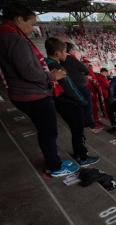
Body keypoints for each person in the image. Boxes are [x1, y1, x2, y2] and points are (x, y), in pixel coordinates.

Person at [0, 3, 79, 178]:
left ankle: (54, 160)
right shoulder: (14, 38)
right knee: (49, 131)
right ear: (20, 19)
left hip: (22, 92)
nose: (33, 28)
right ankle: (55, 167)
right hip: (30, 95)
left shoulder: (6, 34)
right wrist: (52, 76)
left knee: (47, 130)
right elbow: (28, 72)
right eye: (32, 23)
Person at [44, 37, 100, 166]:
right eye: (65, 52)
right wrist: (82, 101)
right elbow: (69, 88)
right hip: (70, 103)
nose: (66, 55)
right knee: (78, 132)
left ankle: (77, 153)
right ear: (58, 53)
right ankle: (84, 158)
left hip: (61, 102)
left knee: (75, 130)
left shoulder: (46, 63)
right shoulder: (58, 67)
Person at [60, 43, 100, 130]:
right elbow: (86, 71)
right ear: (70, 50)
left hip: (74, 87)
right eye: (75, 50)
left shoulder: (63, 60)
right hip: (80, 87)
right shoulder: (70, 58)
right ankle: (90, 124)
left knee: (81, 106)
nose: (75, 52)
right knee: (87, 106)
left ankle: (85, 123)